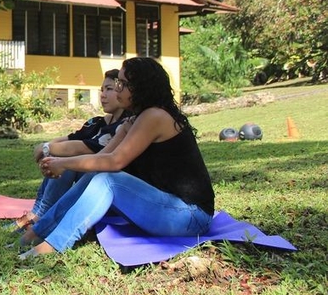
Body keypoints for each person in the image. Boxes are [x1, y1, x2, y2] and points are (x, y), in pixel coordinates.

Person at [20, 57, 215, 258]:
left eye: (122, 84)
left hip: (191, 216)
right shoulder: (133, 121)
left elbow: (115, 162)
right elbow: (102, 158)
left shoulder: (155, 116)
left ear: (140, 88)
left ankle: (54, 245)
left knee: (108, 180)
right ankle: (36, 232)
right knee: (96, 175)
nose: (117, 88)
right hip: (165, 207)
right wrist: (60, 163)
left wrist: (62, 163)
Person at [7, 70, 129, 234]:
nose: (103, 95)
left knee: (67, 158)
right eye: (102, 90)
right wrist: (48, 145)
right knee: (59, 156)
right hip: (91, 177)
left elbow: (84, 147)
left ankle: (40, 217)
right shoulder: (98, 122)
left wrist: (47, 148)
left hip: (107, 185)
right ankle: (36, 213)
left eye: (109, 89)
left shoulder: (124, 125)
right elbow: (71, 138)